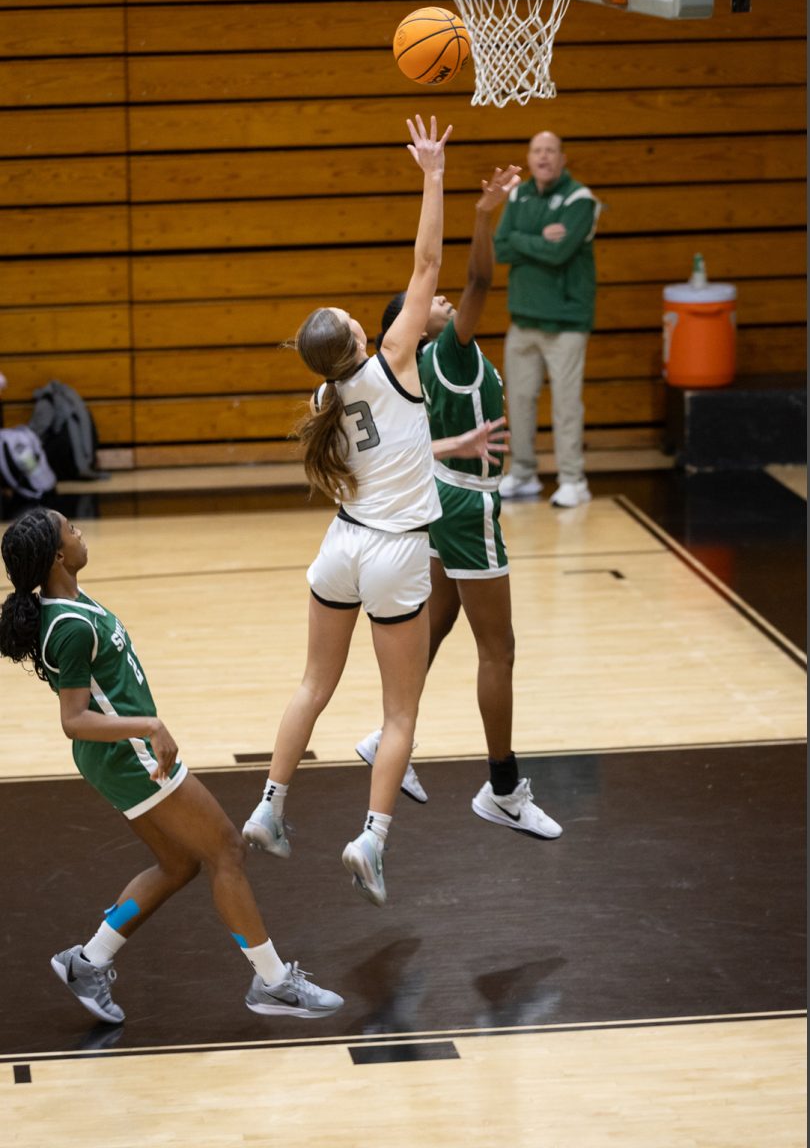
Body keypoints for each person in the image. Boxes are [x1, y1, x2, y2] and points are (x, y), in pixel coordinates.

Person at [243, 114, 467, 909]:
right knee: (399, 711)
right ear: (360, 336)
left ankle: (270, 807)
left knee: (312, 683)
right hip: (398, 552)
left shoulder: (323, 395)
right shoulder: (396, 364)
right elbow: (428, 262)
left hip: (340, 547)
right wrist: (433, 174)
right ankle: (371, 839)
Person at [0, 507, 343, 1024]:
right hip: (128, 757)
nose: (79, 531)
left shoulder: (67, 602)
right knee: (226, 847)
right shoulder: (66, 626)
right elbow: (73, 719)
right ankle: (273, 983)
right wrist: (150, 726)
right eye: (70, 529)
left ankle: (89, 961)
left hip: (116, 758)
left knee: (180, 863)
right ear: (56, 557)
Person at [354, 166, 563, 840]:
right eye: (430, 304)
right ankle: (502, 787)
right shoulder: (450, 352)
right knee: (498, 651)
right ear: (417, 330)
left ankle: (387, 741)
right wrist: (484, 215)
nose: (441, 300)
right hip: (469, 507)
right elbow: (478, 281)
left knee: (436, 626)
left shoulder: (417, 367)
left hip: (440, 501)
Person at [494, 131, 600, 508]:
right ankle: (523, 473)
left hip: (566, 321)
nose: (543, 157)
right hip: (523, 319)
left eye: (550, 151)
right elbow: (499, 246)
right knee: (518, 400)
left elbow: (560, 254)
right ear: (529, 157)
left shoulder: (579, 200)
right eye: (537, 151)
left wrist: (522, 239)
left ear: (562, 159)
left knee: (566, 404)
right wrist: (538, 236)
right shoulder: (518, 194)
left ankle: (573, 479)